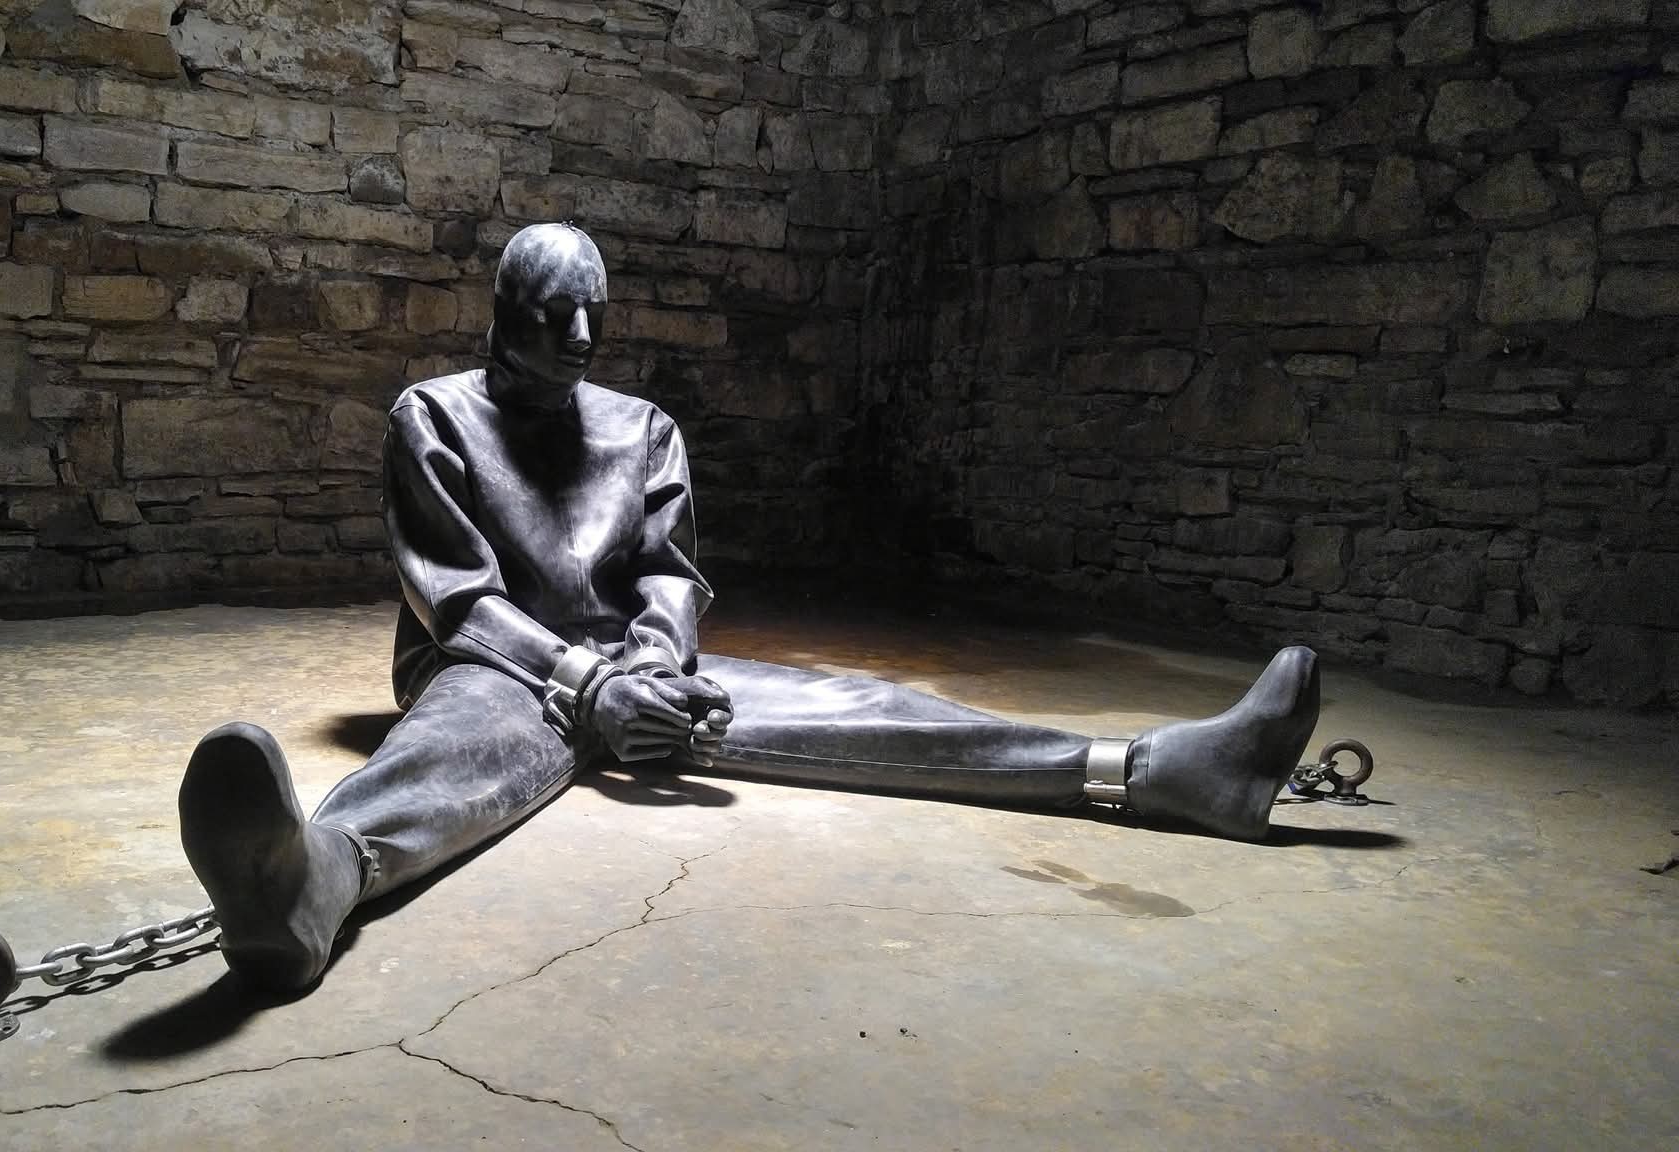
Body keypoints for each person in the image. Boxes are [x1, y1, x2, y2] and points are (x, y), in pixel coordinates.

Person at [178, 223, 1322, 992]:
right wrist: (588, 686)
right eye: (556, 313)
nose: (582, 337)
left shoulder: (642, 430)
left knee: (858, 709)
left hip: (631, 668)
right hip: (501, 667)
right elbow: (458, 602)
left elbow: (669, 576)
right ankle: (307, 882)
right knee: (452, 748)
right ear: (504, 312)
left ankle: (1157, 771)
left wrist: (652, 672)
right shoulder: (431, 418)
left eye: (593, 313)